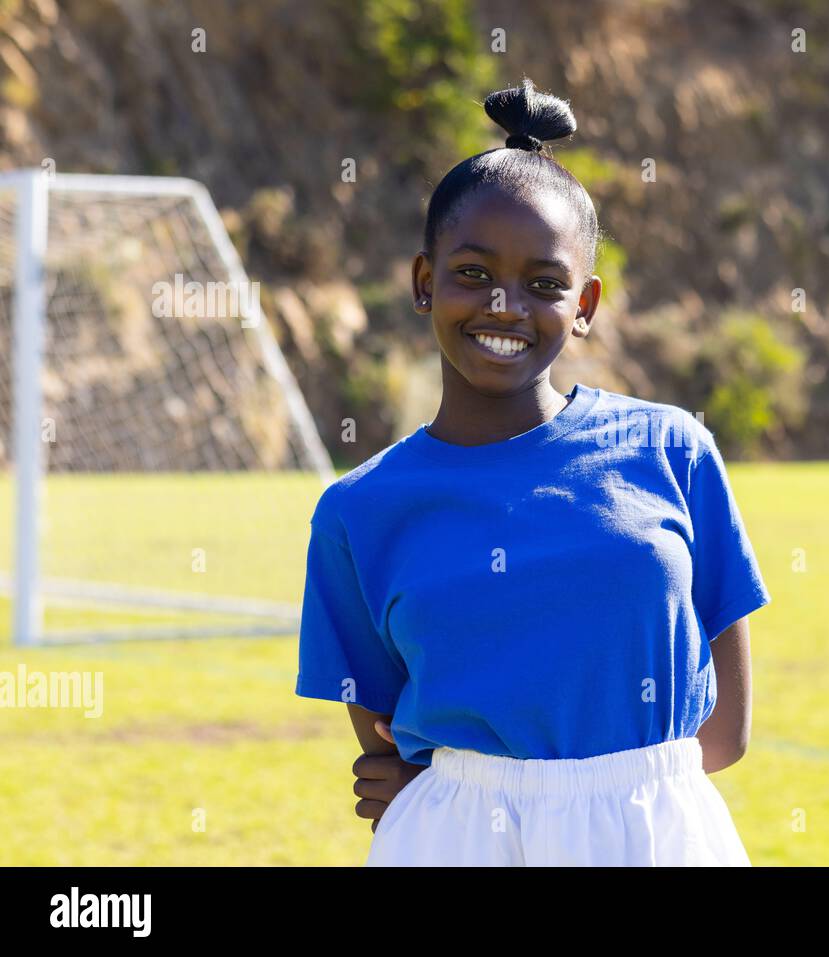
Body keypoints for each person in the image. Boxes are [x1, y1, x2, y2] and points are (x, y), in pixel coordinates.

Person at [295, 78, 772, 866]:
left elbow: (726, 730)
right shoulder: (359, 511)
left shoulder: (672, 449)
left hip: (655, 830)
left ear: (584, 303)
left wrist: (607, 801)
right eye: (473, 273)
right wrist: (479, 796)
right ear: (425, 281)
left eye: (545, 284)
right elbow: (388, 750)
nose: (506, 306)